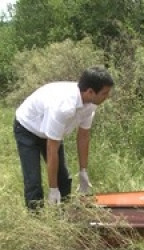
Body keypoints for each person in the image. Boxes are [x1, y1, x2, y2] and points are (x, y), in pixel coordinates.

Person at [13, 66, 114, 210]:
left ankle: (64, 215)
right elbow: (52, 148)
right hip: (27, 128)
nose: (107, 96)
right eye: (104, 93)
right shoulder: (64, 107)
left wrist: (83, 171)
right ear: (90, 91)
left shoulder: (91, 104)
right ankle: (37, 221)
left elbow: (83, 136)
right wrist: (53, 188)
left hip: (50, 130)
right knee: (33, 181)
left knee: (64, 179)